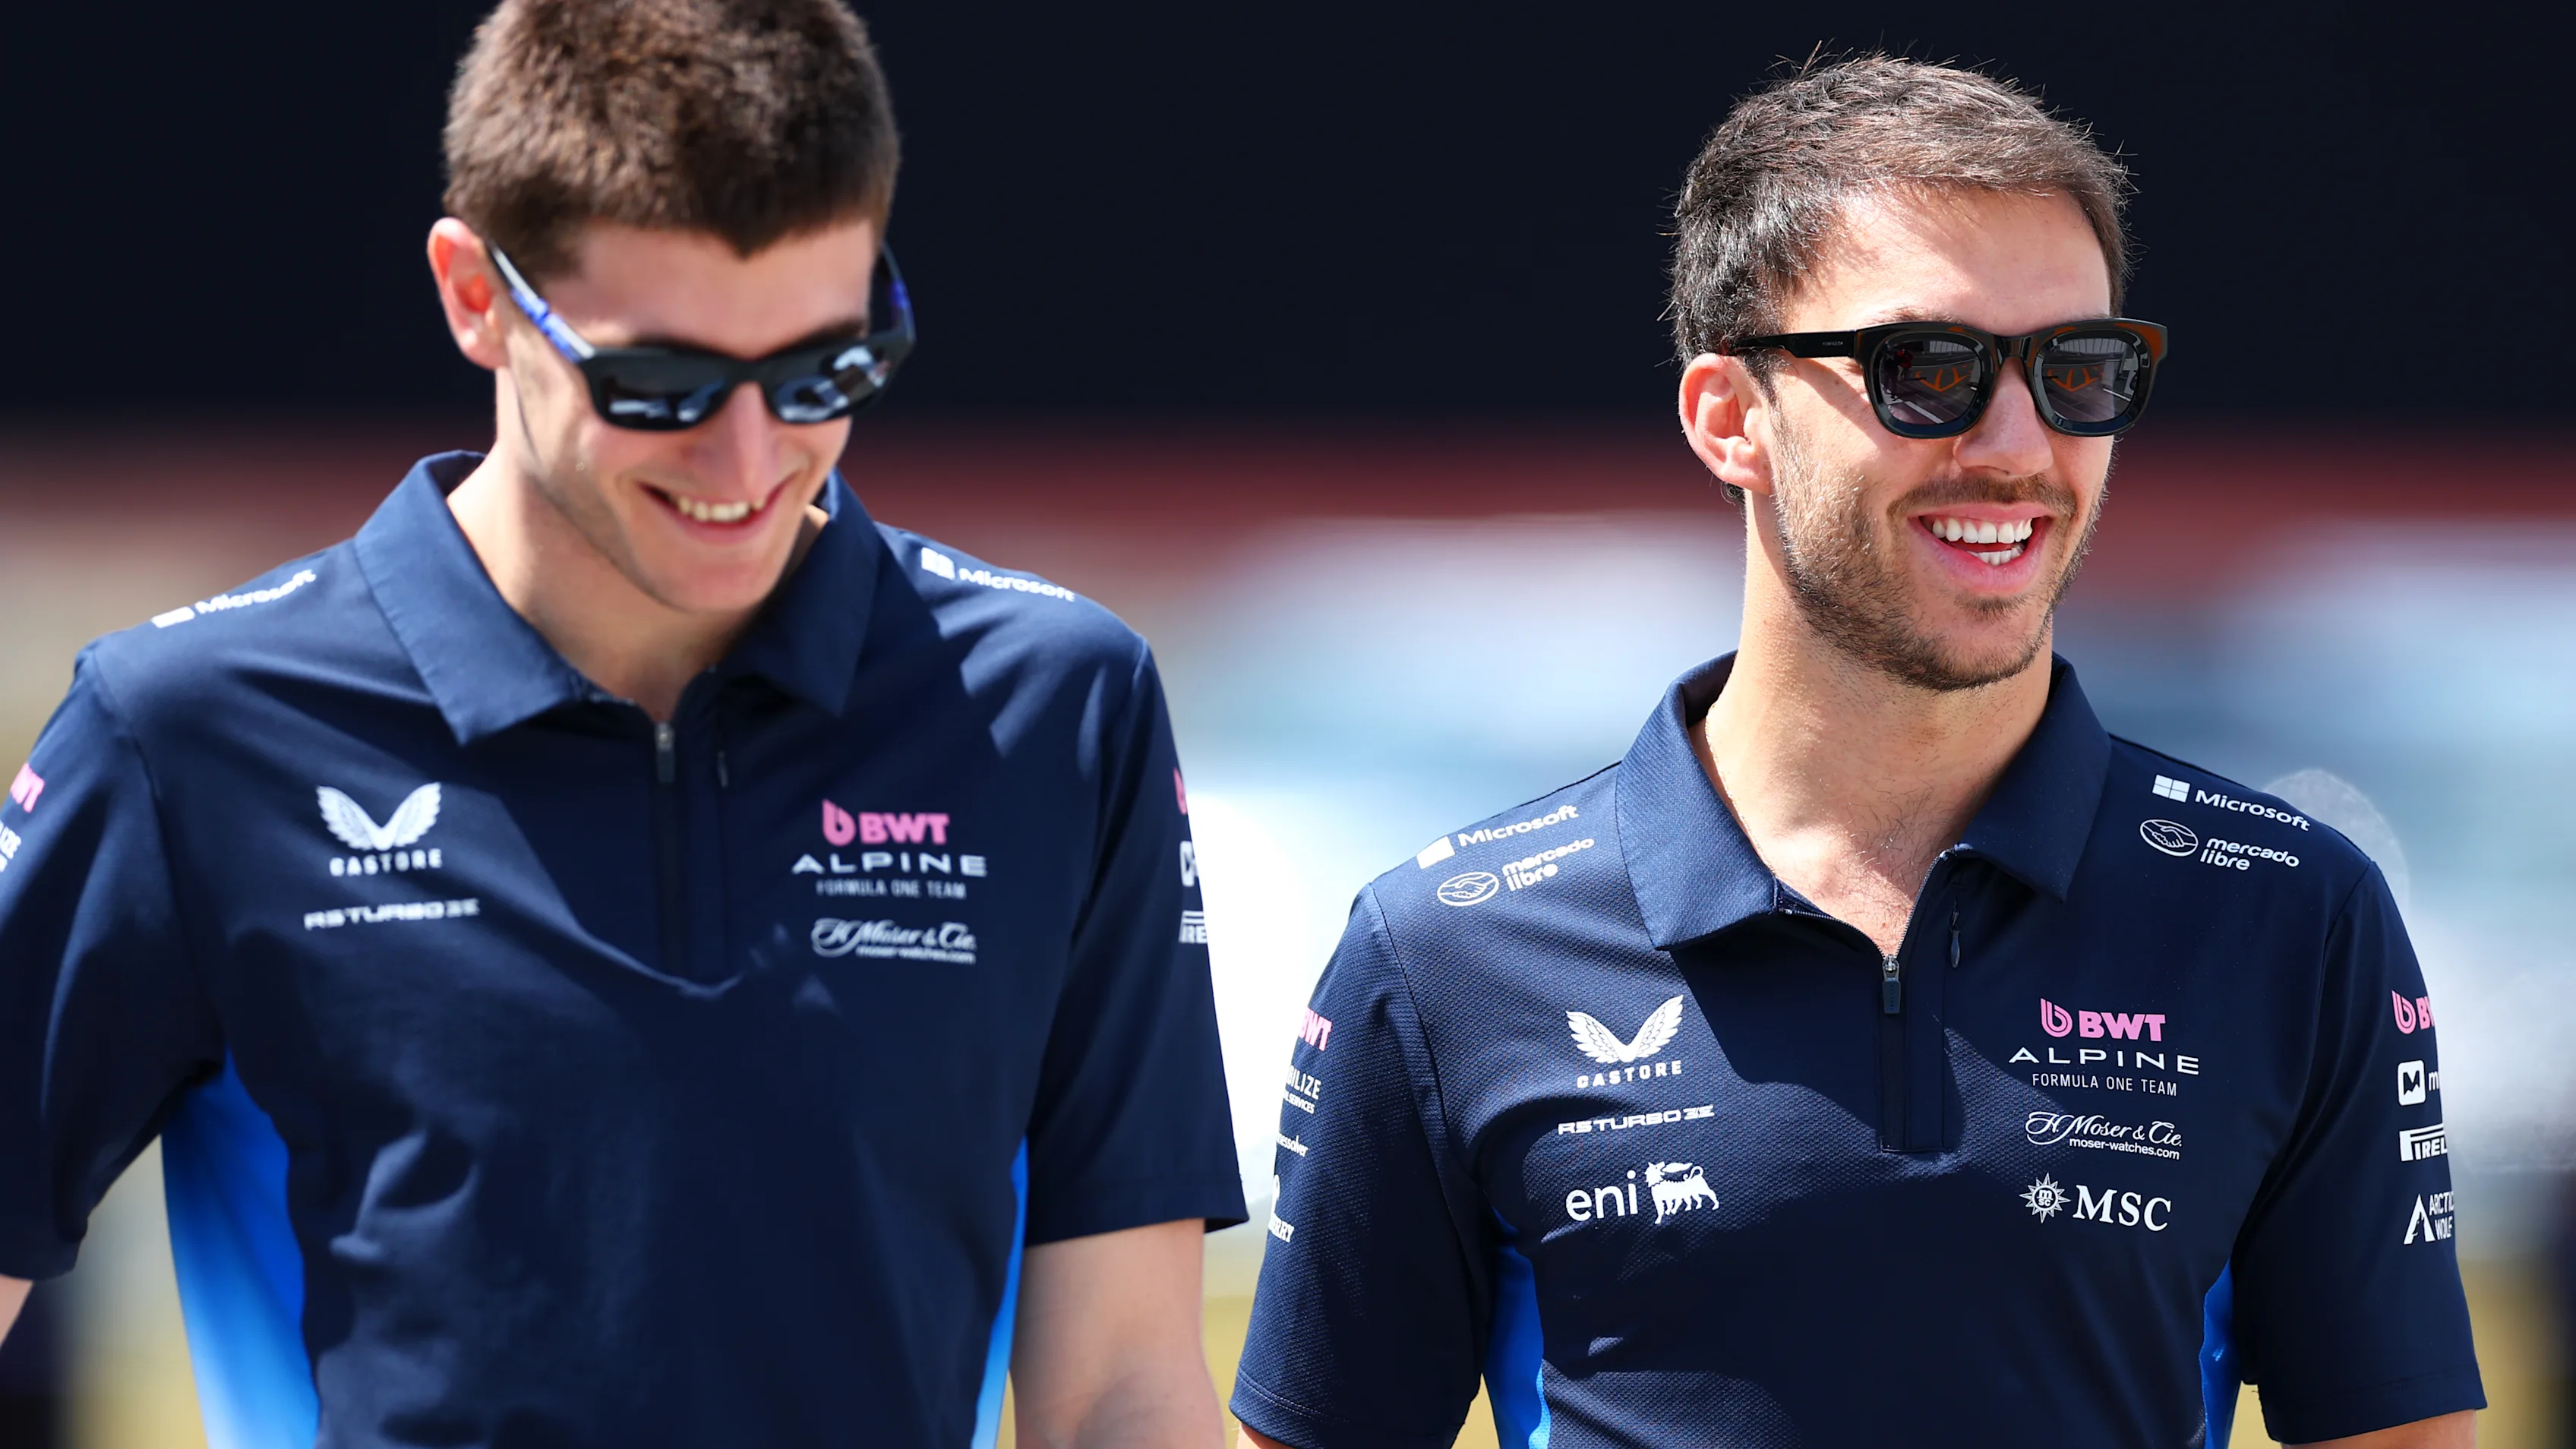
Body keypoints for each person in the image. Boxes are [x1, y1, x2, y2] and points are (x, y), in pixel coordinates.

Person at [0, 2, 1244, 1444]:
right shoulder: (186, 737)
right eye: (661, 385)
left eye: (823, 371)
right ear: (475, 294)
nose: (747, 455)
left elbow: (1123, 1396)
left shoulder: (1053, 712)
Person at [1230, 55, 2478, 1449]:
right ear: (1730, 418)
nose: (2019, 446)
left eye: (2078, 371)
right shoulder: (1446, 949)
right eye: (1928, 371)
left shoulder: (2287, 913)